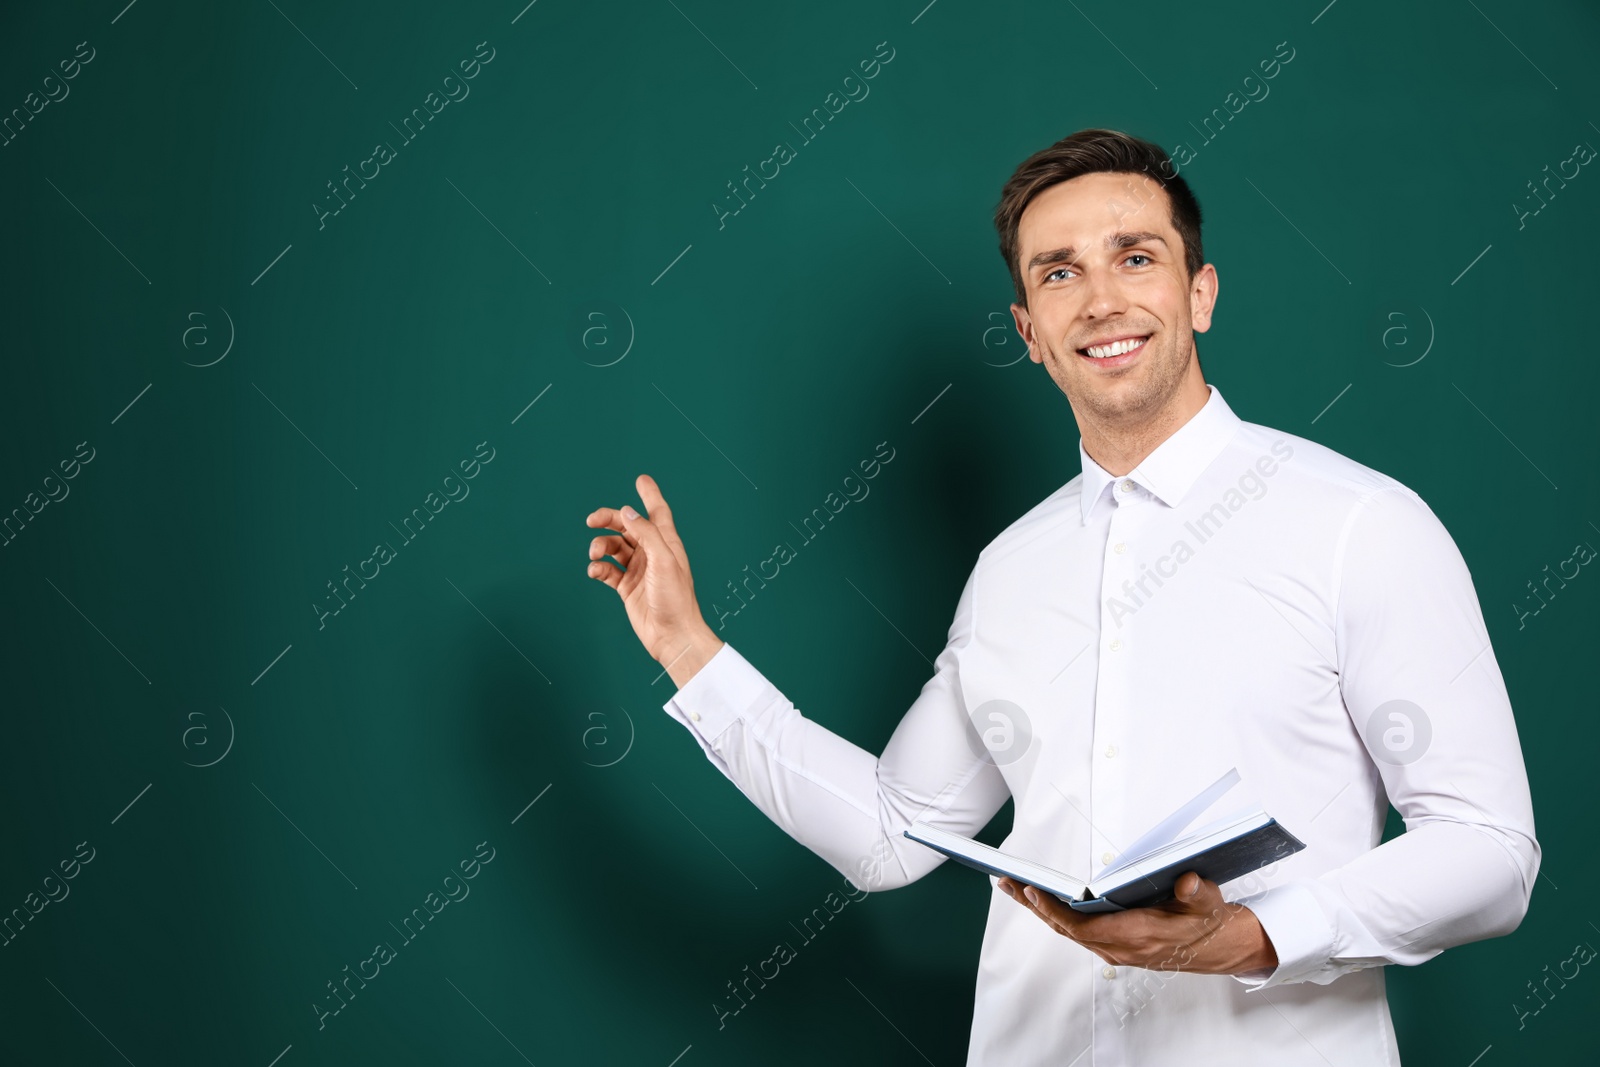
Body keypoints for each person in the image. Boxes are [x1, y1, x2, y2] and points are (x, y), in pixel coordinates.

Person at [583, 128, 1539, 1065]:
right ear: (1028, 331)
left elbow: (1490, 851)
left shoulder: (1360, 525)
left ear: (1199, 293)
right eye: (1059, 272)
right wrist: (684, 646)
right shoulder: (1008, 569)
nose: (1101, 299)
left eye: (1135, 257)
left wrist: (1256, 934)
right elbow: (891, 836)